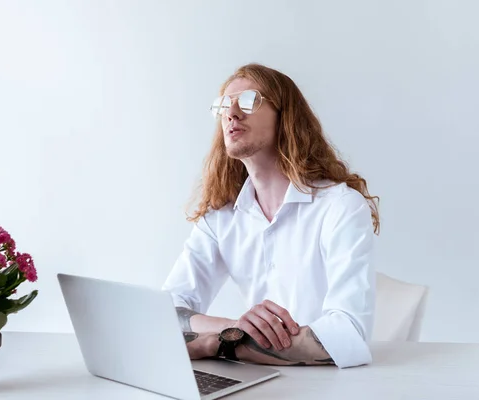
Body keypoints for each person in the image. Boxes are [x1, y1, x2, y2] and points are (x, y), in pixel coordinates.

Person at [161, 63, 380, 369]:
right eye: (224, 105)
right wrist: (234, 330)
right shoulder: (221, 217)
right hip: (257, 380)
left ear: (285, 116)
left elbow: (347, 337)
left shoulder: (340, 207)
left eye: (249, 101)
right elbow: (164, 313)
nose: (231, 113)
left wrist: (219, 343)